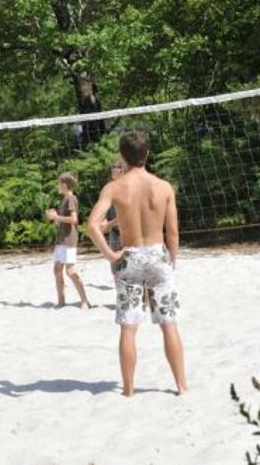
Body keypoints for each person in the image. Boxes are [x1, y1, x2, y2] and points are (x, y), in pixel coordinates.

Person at [87, 131, 188, 396]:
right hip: (158, 255)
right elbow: (173, 233)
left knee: (129, 327)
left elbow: (92, 226)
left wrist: (110, 254)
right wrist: (171, 262)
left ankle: (129, 390)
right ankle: (181, 386)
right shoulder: (164, 187)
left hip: (129, 256)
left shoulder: (114, 187)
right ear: (147, 154)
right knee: (169, 324)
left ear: (122, 156)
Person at [46, 172, 91, 309]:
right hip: (61, 239)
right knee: (57, 269)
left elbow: (74, 219)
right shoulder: (65, 199)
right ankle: (61, 301)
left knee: (70, 271)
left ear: (65, 185)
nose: (57, 186)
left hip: (69, 240)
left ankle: (85, 301)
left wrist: (56, 217)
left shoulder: (71, 198)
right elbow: (64, 221)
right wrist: (54, 217)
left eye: (59, 184)